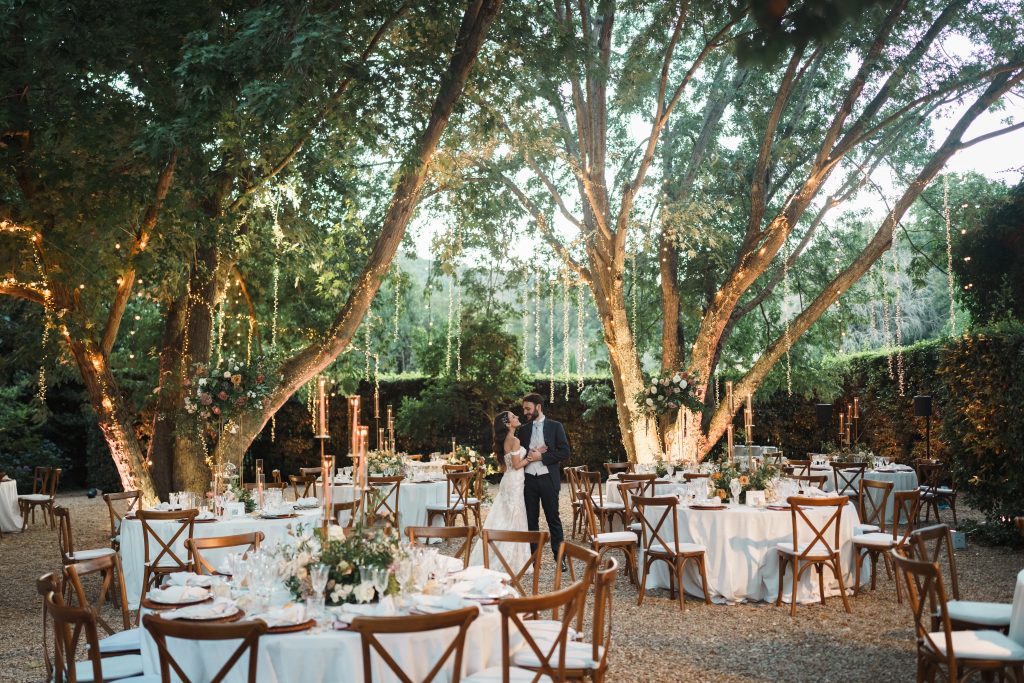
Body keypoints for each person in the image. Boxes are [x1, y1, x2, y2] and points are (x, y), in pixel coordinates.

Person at [467, 411, 540, 568]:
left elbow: (504, 467)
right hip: (514, 482)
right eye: (514, 417)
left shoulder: (504, 441)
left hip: (509, 480)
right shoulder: (514, 440)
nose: (518, 417)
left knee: (506, 516)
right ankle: (511, 560)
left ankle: (500, 553)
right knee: (514, 517)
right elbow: (516, 465)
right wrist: (531, 458)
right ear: (508, 424)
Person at [516, 392, 570, 564]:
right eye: (524, 409)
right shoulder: (523, 430)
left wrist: (542, 457)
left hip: (548, 478)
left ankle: (559, 556)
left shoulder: (555, 426)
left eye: (528, 408)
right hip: (529, 480)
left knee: (553, 518)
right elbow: (519, 453)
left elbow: (565, 452)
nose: (525, 412)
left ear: (538, 407)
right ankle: (533, 559)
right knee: (531, 519)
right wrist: (531, 455)